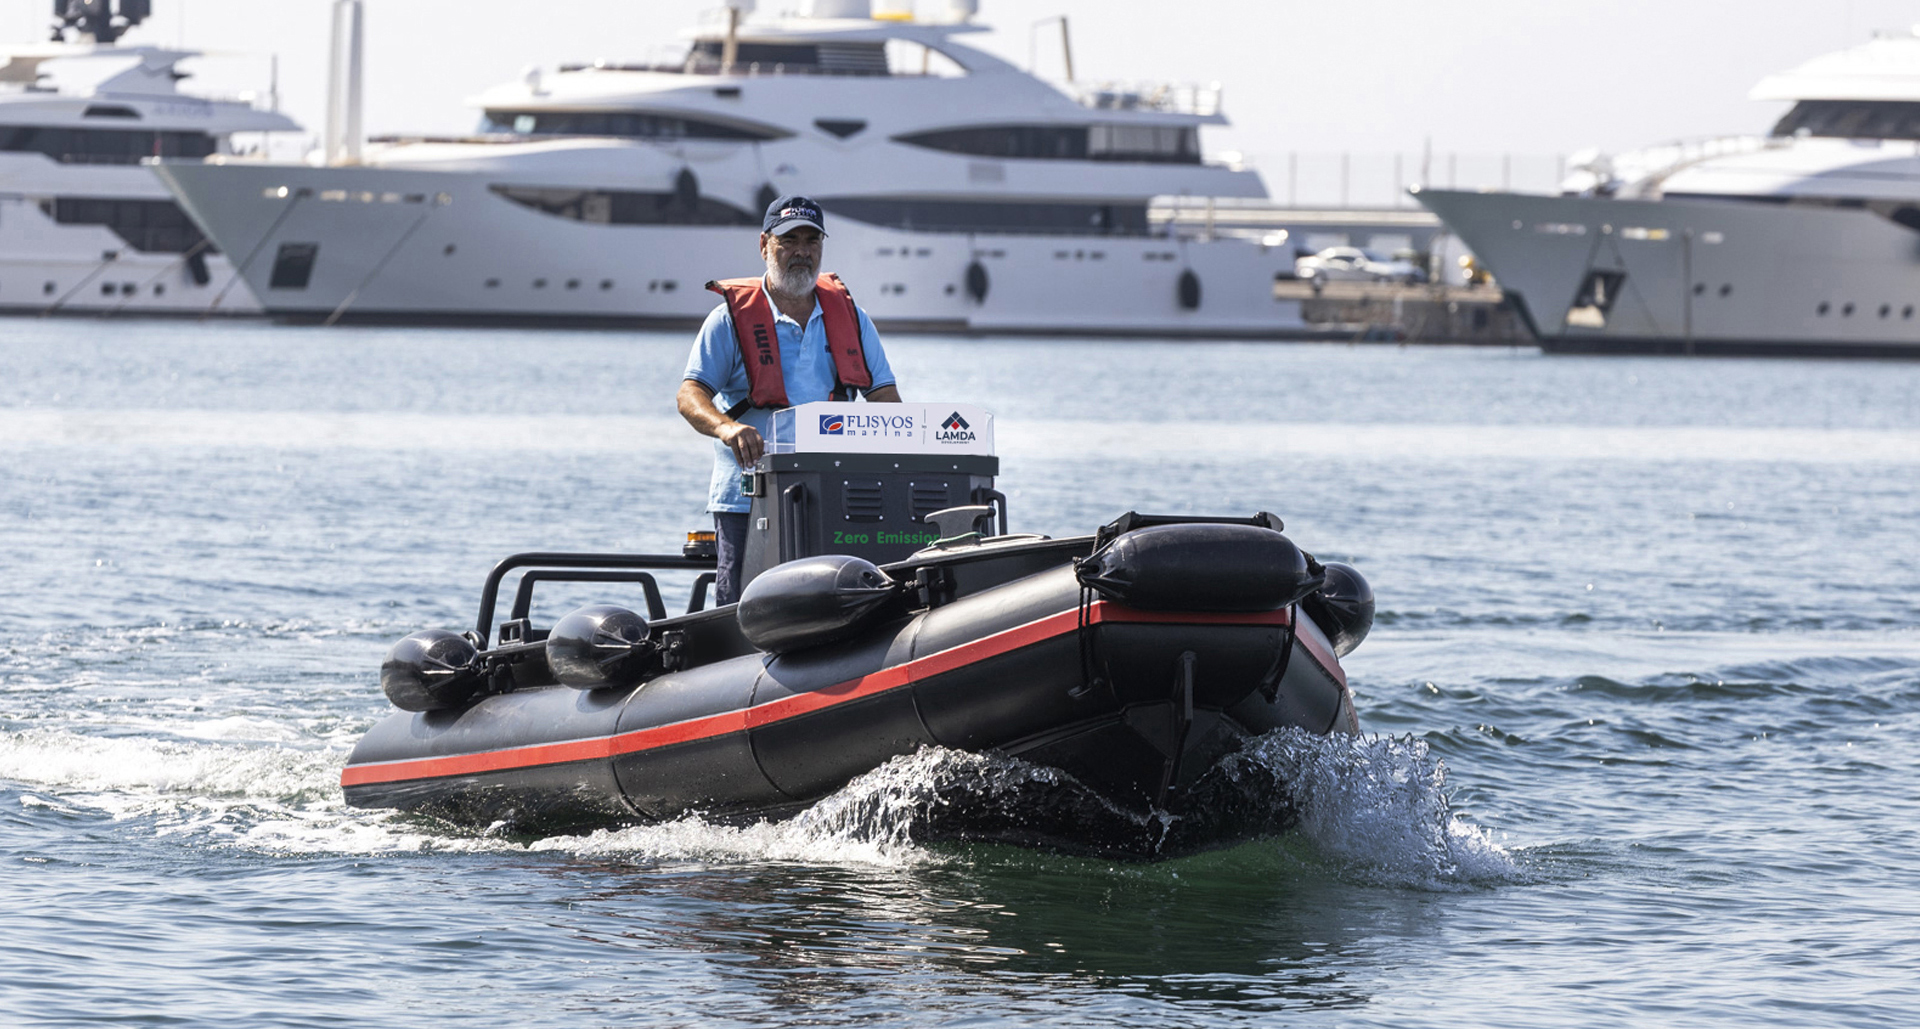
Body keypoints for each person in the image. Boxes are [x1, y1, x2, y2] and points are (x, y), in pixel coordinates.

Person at [678, 195, 902, 605]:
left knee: (834, 606)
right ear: (764, 245)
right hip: (746, 497)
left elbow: (884, 396)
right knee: (741, 610)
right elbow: (690, 394)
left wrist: (896, 458)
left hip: (834, 493)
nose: (801, 251)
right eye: (789, 240)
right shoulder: (729, 319)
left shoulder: (852, 318)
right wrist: (729, 428)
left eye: (811, 241)